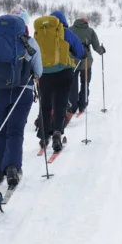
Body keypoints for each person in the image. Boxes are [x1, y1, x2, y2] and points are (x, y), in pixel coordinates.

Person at [0, 5, 42, 188]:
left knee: (0, 129)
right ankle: (11, 167)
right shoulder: (29, 42)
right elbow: (39, 71)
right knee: (15, 131)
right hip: (22, 90)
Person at [34, 10, 85, 152]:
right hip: (64, 73)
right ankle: (57, 133)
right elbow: (80, 52)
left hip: (44, 74)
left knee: (45, 105)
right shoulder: (66, 33)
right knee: (60, 104)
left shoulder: (40, 34)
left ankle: (44, 137)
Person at [67, 17, 105, 120]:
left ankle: (72, 106)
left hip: (72, 63)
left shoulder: (69, 30)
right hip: (86, 63)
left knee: (72, 86)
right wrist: (102, 51)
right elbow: (96, 47)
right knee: (85, 83)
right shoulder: (90, 31)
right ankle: (82, 105)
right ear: (86, 21)